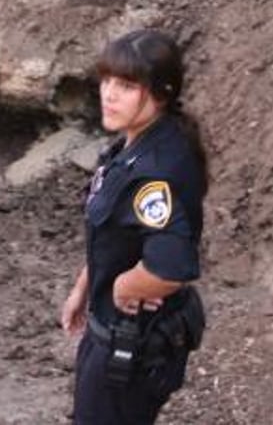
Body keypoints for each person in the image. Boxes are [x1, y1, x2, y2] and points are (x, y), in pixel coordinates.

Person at [60, 29, 208, 425]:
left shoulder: (154, 173)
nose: (108, 93)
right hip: (117, 333)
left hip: (132, 344)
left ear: (160, 93)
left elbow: (170, 266)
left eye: (126, 85)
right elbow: (117, 235)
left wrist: (126, 287)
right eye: (106, 80)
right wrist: (85, 287)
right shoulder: (132, 146)